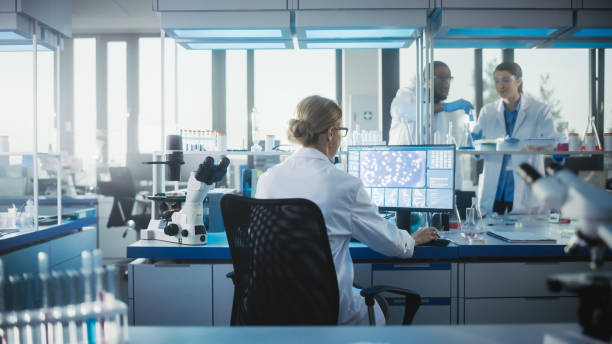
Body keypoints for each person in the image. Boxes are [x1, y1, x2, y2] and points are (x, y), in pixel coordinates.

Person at [255, 95, 439, 325]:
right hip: (326, 309)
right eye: (341, 131)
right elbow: (390, 244)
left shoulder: (268, 179)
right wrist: (412, 239)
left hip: (274, 308)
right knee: (378, 307)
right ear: (331, 133)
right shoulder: (345, 185)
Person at [473, 62, 561, 215]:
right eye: (496, 80)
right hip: (495, 193)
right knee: (490, 237)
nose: (500, 86)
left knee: (527, 237)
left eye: (506, 80)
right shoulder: (488, 112)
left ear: (518, 81)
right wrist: (476, 144)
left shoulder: (539, 110)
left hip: (526, 193)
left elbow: (554, 142)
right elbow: (478, 153)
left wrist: (558, 153)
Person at [390, 61, 474, 187]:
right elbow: (403, 112)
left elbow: (452, 152)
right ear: (426, 80)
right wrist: (445, 106)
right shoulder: (407, 95)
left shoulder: (446, 113)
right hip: (404, 173)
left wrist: (457, 188)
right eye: (441, 79)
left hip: (433, 181)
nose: (446, 84)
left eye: (448, 79)